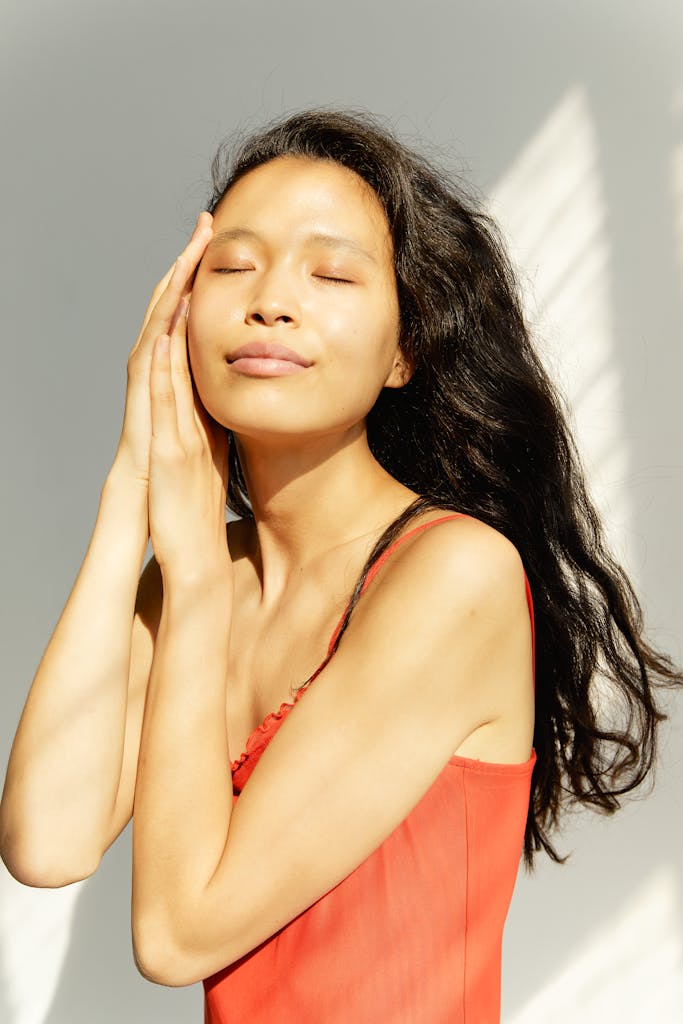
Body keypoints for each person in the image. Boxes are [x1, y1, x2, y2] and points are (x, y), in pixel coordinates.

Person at [1, 108, 681, 1023]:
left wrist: (195, 576)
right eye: (233, 266)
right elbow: (46, 845)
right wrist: (131, 488)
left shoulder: (451, 575)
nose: (269, 299)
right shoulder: (204, 574)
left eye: (330, 273)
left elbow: (175, 936)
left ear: (406, 351)